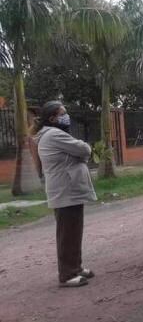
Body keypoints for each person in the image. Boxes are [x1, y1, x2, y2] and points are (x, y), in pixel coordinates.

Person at [32, 101, 97, 287]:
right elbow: (85, 149)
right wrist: (82, 153)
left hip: (69, 189)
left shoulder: (53, 134)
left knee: (74, 231)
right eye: (63, 113)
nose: (66, 116)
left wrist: (80, 154)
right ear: (52, 118)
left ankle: (75, 267)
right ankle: (67, 274)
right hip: (65, 190)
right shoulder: (53, 134)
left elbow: (79, 153)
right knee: (67, 233)